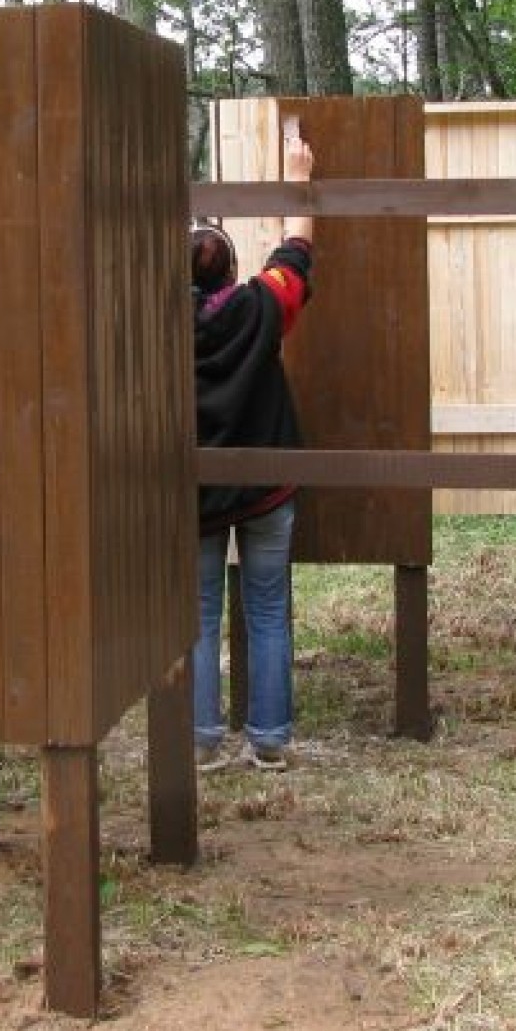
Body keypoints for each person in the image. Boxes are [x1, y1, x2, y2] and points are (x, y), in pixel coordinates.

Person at [192, 132, 316, 772]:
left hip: (196, 494)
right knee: (268, 607)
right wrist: (299, 178)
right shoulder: (259, 305)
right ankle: (269, 741)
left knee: (198, 612)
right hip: (267, 483)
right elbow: (297, 254)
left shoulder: (154, 318)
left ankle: (201, 742)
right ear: (234, 271)